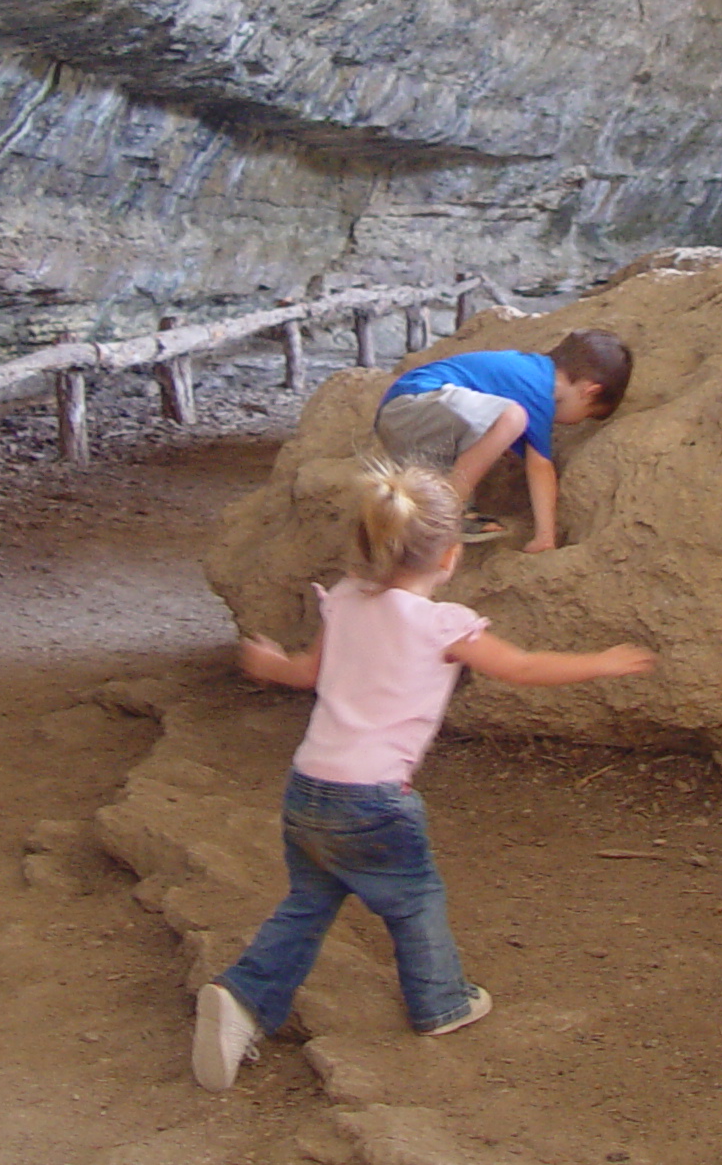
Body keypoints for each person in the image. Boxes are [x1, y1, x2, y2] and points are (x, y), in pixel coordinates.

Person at [192, 461, 656, 1090]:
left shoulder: (348, 601)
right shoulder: (443, 624)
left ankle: (242, 998)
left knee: (309, 901)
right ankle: (440, 1002)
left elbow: (305, 674)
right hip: (374, 800)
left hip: (308, 789)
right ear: (452, 557)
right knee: (414, 899)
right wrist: (599, 663)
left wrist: (269, 663)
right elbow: (518, 667)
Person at [372, 327, 631, 552]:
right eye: (587, 415)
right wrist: (545, 536)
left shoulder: (528, 374)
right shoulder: (539, 389)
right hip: (412, 405)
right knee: (511, 418)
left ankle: (443, 516)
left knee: (501, 430)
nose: (577, 422)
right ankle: (448, 511)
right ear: (589, 392)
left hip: (411, 424)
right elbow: (540, 467)